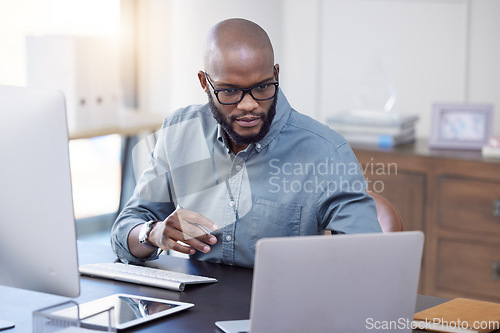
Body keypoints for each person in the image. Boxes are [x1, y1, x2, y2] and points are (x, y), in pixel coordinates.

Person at [111, 18, 381, 268]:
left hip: (284, 312)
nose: (249, 105)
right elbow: (125, 229)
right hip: (194, 309)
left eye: (263, 87)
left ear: (276, 73)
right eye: (230, 91)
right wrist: (153, 233)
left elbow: (369, 259)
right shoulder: (179, 132)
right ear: (205, 83)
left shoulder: (325, 151)